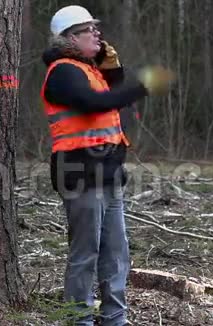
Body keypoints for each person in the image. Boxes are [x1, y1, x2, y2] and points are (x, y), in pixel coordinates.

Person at [41, 5, 174, 326]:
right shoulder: (62, 71)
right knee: (85, 255)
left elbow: (111, 97)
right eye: (90, 30)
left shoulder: (89, 71)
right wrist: (141, 86)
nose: (98, 34)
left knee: (116, 253)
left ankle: (115, 319)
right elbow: (92, 103)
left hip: (107, 174)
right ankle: (80, 320)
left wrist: (113, 69)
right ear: (71, 38)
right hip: (80, 174)